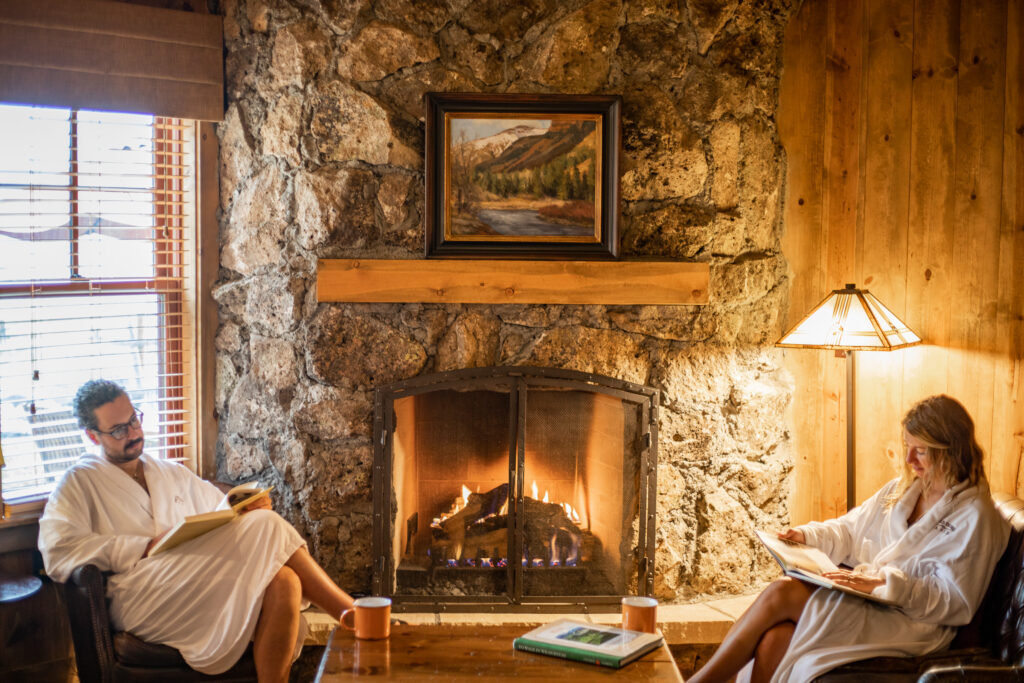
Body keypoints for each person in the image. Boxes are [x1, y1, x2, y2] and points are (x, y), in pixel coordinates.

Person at [38, 380, 355, 683]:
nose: (133, 432)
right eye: (119, 430)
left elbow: (219, 512)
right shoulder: (79, 482)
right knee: (267, 526)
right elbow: (58, 551)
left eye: (134, 420)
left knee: (284, 579)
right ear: (94, 437)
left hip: (194, 581)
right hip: (139, 594)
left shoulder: (168, 471)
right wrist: (143, 546)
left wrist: (244, 509)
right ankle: (352, 615)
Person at [689, 395, 1011, 683]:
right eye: (907, 447)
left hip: (913, 625)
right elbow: (850, 529)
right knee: (777, 639)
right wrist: (805, 535)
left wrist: (884, 583)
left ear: (951, 452)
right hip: (872, 602)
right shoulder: (902, 490)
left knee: (780, 594)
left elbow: (955, 602)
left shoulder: (976, 517)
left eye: (922, 452)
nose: (910, 461)